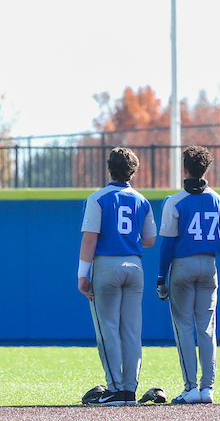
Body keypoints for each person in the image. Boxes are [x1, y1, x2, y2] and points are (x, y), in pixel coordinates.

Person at [78, 147, 157, 406]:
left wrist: (82, 274)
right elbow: (149, 240)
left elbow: (90, 239)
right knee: (132, 330)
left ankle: (115, 389)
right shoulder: (142, 200)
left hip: (107, 265)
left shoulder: (98, 198)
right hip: (134, 267)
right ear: (132, 171)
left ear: (109, 168)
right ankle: (130, 390)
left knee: (108, 329)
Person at [155, 145, 220, 404]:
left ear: (185, 168)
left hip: (183, 265)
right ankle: (208, 388)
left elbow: (167, 244)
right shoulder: (219, 200)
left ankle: (190, 388)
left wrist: (161, 277)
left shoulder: (174, 201)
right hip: (209, 265)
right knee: (207, 327)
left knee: (184, 327)